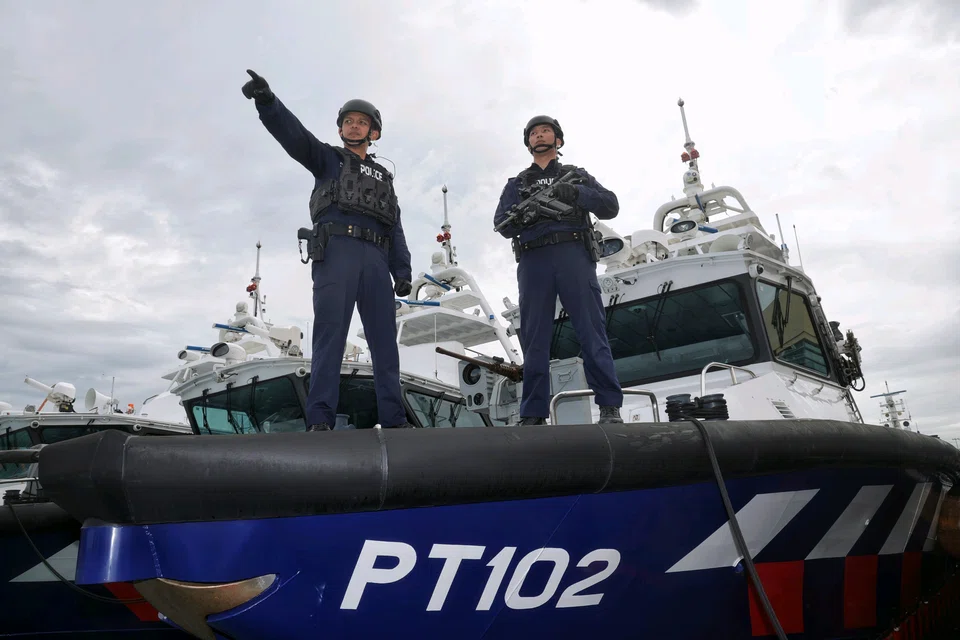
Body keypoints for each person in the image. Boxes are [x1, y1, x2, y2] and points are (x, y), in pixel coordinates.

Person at [242, 69, 414, 431]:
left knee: (386, 347)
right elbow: (294, 137)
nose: (354, 127)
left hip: (377, 260)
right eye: (348, 122)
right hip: (337, 253)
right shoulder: (327, 160)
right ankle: (320, 422)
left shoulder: (386, 179)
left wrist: (402, 271)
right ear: (340, 130)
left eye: (361, 122)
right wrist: (268, 102)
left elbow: (395, 225)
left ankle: (395, 423)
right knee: (330, 338)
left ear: (374, 132)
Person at [493, 115, 624, 426]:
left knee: (592, 332)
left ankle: (609, 407)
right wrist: (525, 216)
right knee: (534, 340)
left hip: (572, 254)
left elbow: (610, 205)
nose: (539, 136)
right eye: (534, 133)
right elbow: (501, 224)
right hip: (533, 260)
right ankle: (533, 414)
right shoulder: (516, 184)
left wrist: (578, 194)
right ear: (528, 143)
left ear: (558, 140)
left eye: (545, 131)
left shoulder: (576, 175)